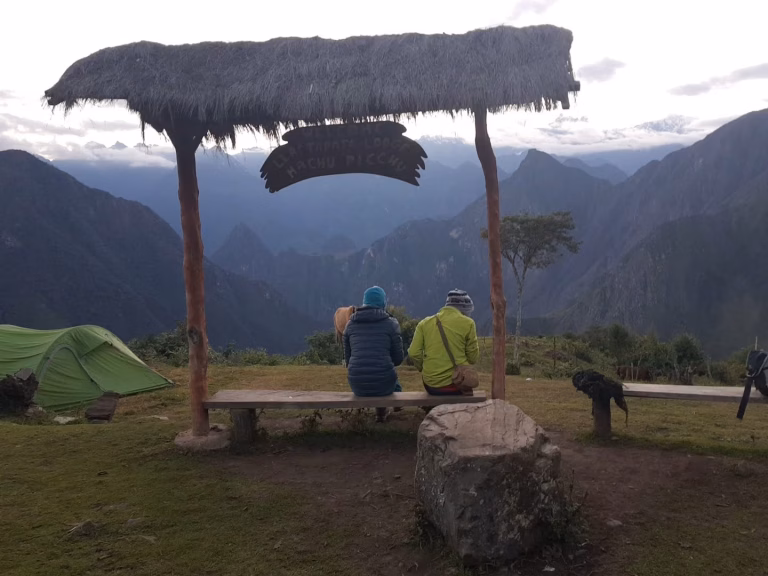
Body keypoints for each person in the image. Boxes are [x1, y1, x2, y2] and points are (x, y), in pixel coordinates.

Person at [343, 286, 404, 421]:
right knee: (386, 373)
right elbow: (399, 359)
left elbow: (348, 360)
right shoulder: (391, 324)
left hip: (357, 384)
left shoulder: (350, 325)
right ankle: (383, 412)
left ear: (364, 302)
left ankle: (380, 413)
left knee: (380, 372)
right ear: (383, 302)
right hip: (384, 383)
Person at [408, 289, 479, 395]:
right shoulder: (468, 323)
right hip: (457, 384)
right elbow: (473, 358)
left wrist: (423, 368)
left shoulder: (424, 323)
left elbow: (413, 353)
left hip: (431, 385)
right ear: (464, 310)